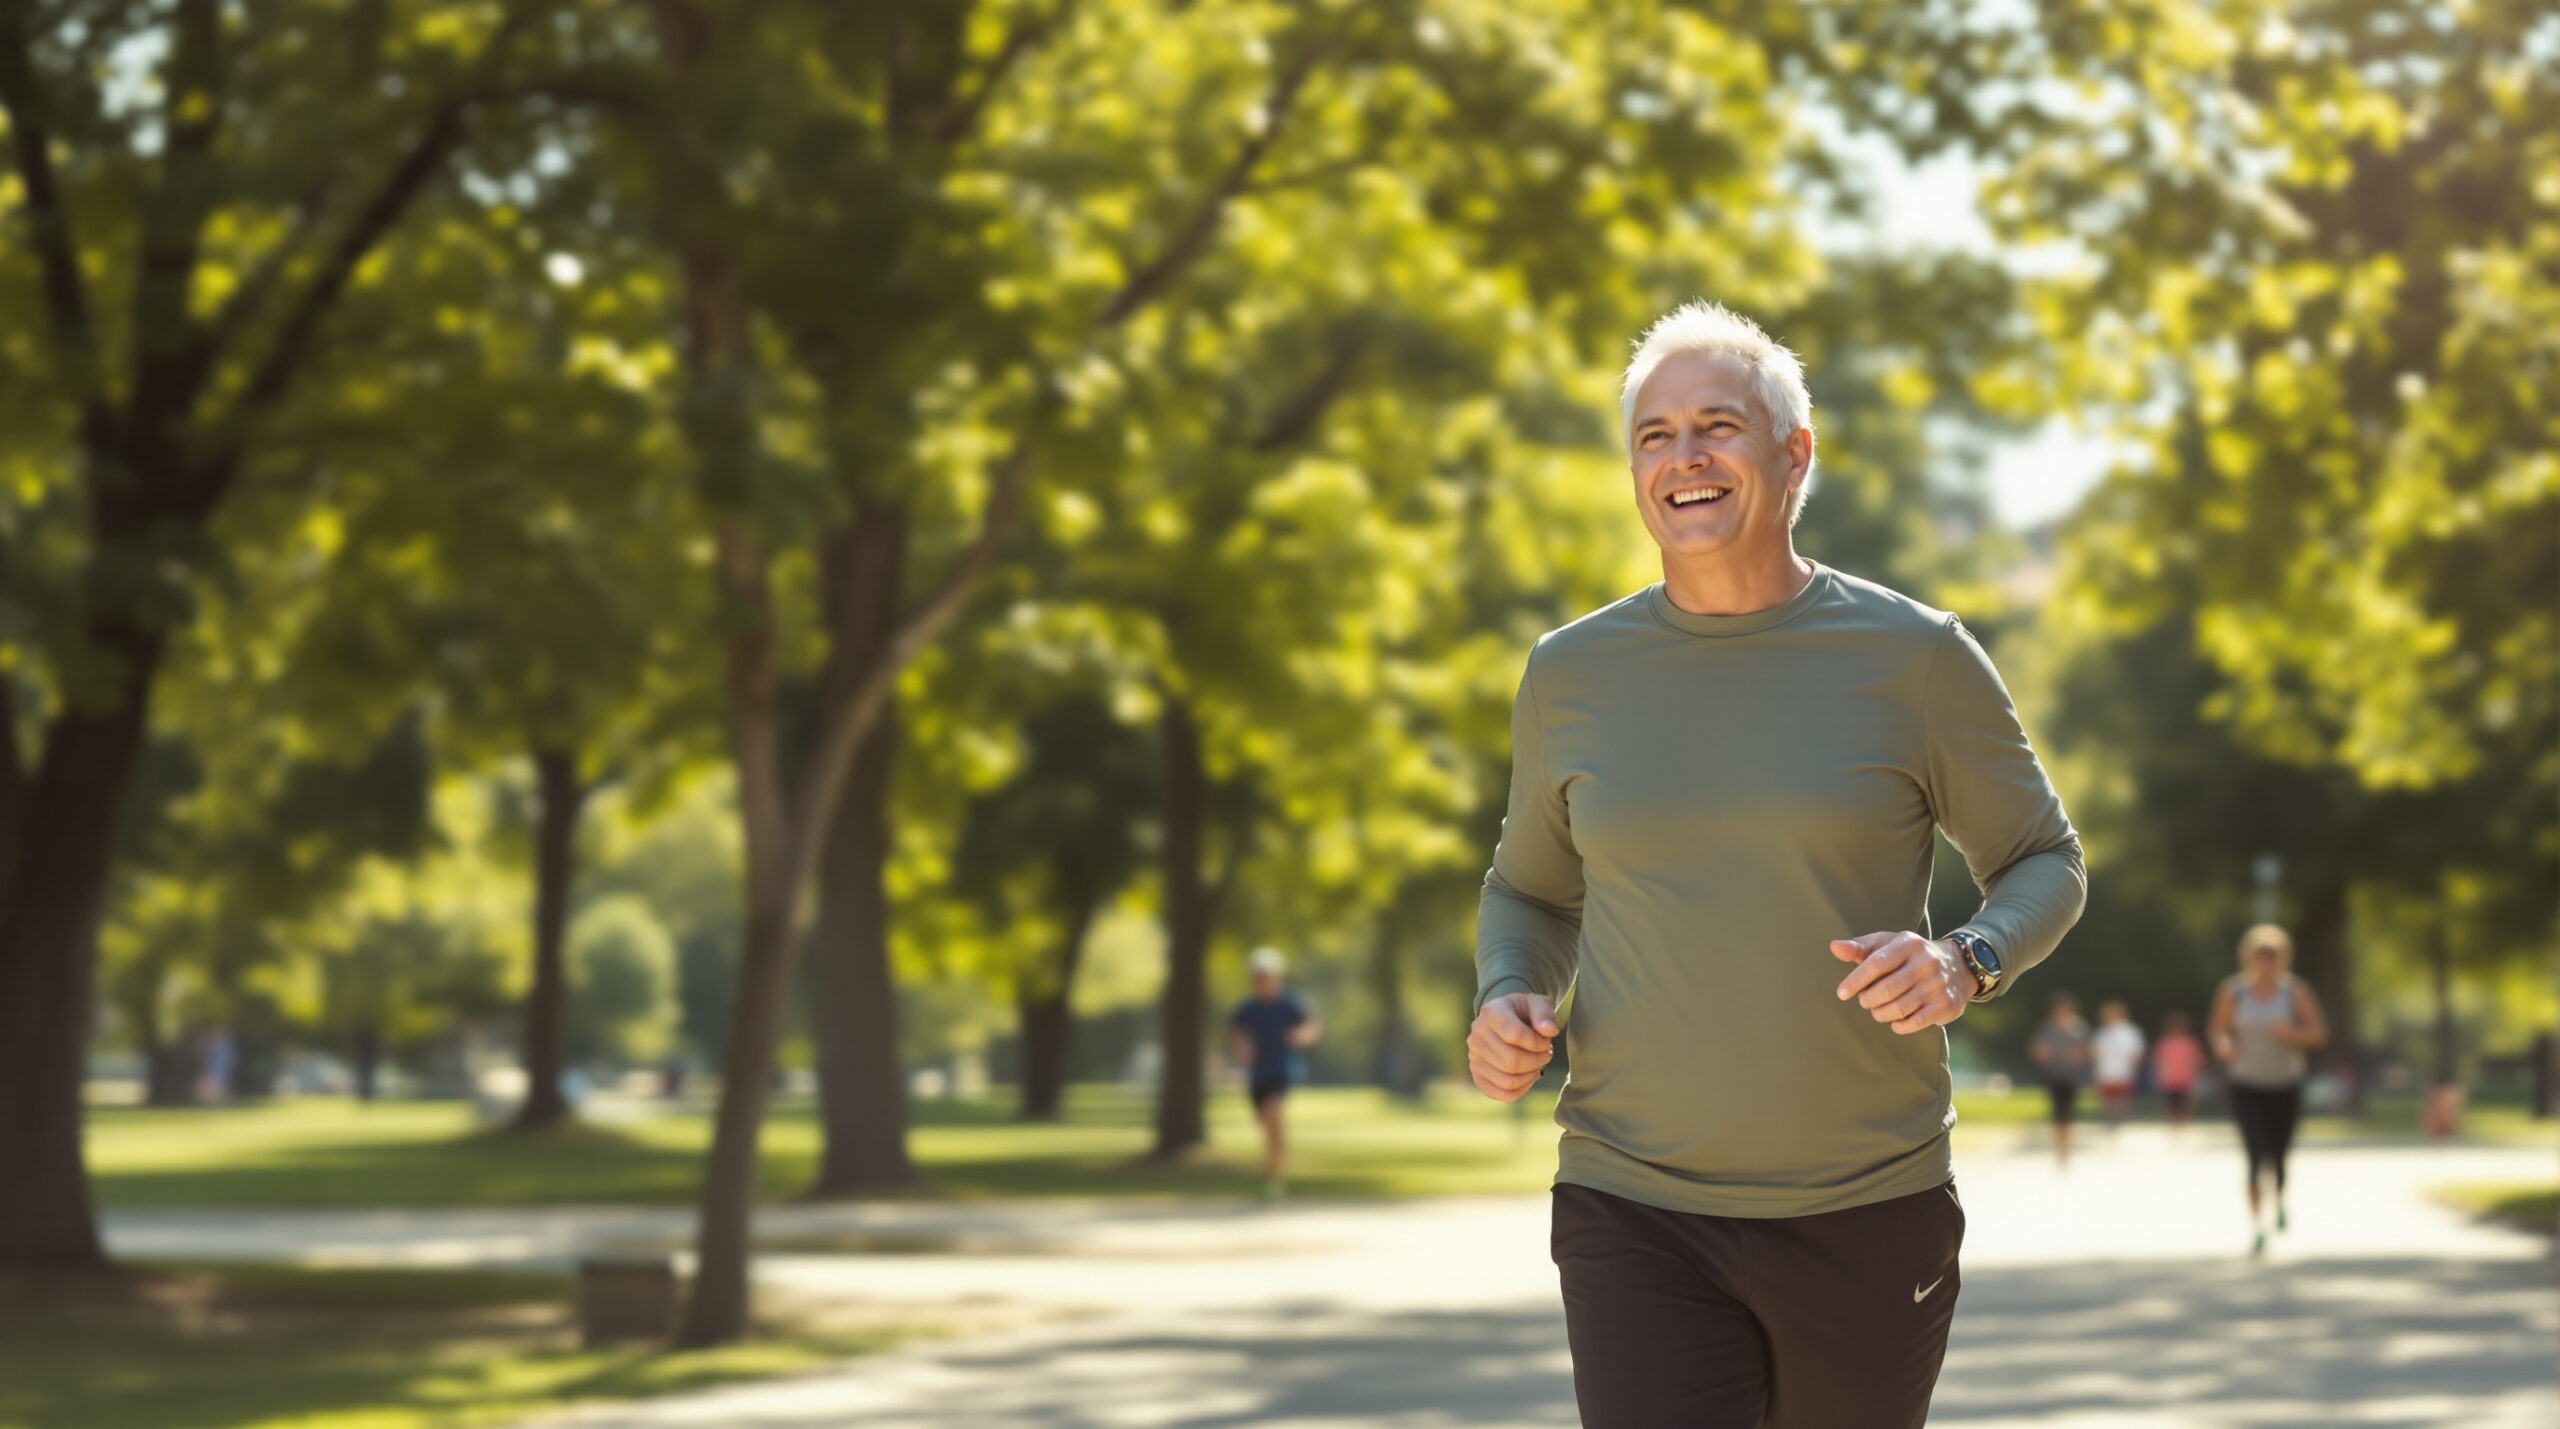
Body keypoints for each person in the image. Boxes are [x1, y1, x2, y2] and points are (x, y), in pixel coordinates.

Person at [1465, 302, 2085, 1429]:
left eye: (1718, 427)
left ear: (1794, 454)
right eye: (1655, 436)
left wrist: (1966, 960)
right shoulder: (1568, 674)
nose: (1684, 458)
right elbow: (1531, 891)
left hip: (1868, 1203)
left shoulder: (1917, 657)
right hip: (1631, 1198)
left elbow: (2043, 857)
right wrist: (1508, 988)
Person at [2209, 923, 2326, 1255]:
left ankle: (2280, 1199)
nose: (2265, 961)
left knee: (2279, 1154)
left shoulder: (2295, 992)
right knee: (2255, 1154)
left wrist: (2290, 1033)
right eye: (2259, 954)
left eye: (2271, 955)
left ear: (2281, 957)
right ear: (2248, 957)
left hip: (2285, 1082)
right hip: (2246, 1083)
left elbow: (2317, 1034)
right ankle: (2258, 1226)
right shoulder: (2233, 992)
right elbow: (2219, 1028)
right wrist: (2224, 1045)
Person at [1228, 946, 1320, 1199]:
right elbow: (1236, 1033)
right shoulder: (1248, 1008)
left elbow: (1310, 1026)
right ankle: (1273, 1168)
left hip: (1282, 1070)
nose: (1263, 980)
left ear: (1276, 977)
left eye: (1267, 975)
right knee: (1265, 1124)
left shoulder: (1289, 1004)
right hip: (1258, 1074)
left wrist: (1300, 1035)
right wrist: (1242, 1048)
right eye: (1258, 976)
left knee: (1275, 1116)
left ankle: (1273, 1178)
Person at [2029, 993, 2091, 1164]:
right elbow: (2036, 1052)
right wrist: (2044, 1054)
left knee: (2069, 1113)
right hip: (2053, 1076)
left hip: (2072, 1077)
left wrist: (2076, 1055)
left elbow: (2087, 1052)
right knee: (2057, 1113)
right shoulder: (2046, 1029)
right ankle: (2059, 1146)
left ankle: (2066, 1147)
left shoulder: (2078, 1028)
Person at [2091, 999, 2146, 1132]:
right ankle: (2110, 1122)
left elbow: (2136, 1052)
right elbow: (2095, 1053)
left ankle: (2118, 1121)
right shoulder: (2101, 1033)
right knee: (2107, 1100)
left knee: (2121, 1099)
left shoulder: (2130, 1032)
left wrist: (2135, 1067)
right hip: (2105, 1072)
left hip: (2124, 1072)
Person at [2152, 1010, 2205, 1135]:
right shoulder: (2164, 1043)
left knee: (2185, 1104)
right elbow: (2158, 1061)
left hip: (2186, 1079)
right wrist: (2160, 1075)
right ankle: (2174, 1128)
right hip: (2169, 1079)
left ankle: (2183, 1127)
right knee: (2170, 1105)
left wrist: (2196, 1074)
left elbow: (2199, 1061)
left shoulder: (2190, 1043)